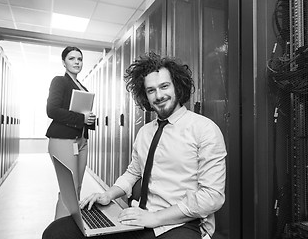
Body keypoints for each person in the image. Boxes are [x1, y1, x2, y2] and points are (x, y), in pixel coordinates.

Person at [42, 52, 226, 239]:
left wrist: (155, 218)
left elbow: (212, 196)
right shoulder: (145, 132)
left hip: (182, 222)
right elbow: (133, 172)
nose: (159, 95)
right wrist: (109, 194)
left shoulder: (205, 129)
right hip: (139, 216)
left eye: (164, 86)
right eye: (151, 90)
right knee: (56, 232)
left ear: (177, 87)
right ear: (144, 95)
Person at [46, 46, 96, 219]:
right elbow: (52, 110)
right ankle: (59, 232)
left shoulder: (83, 87)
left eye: (80, 59)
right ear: (63, 62)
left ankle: (72, 229)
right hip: (63, 140)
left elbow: (82, 115)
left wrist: (89, 119)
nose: (76, 62)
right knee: (69, 190)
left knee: (77, 188)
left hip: (81, 141)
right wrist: (81, 118)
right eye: (72, 58)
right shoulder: (59, 81)